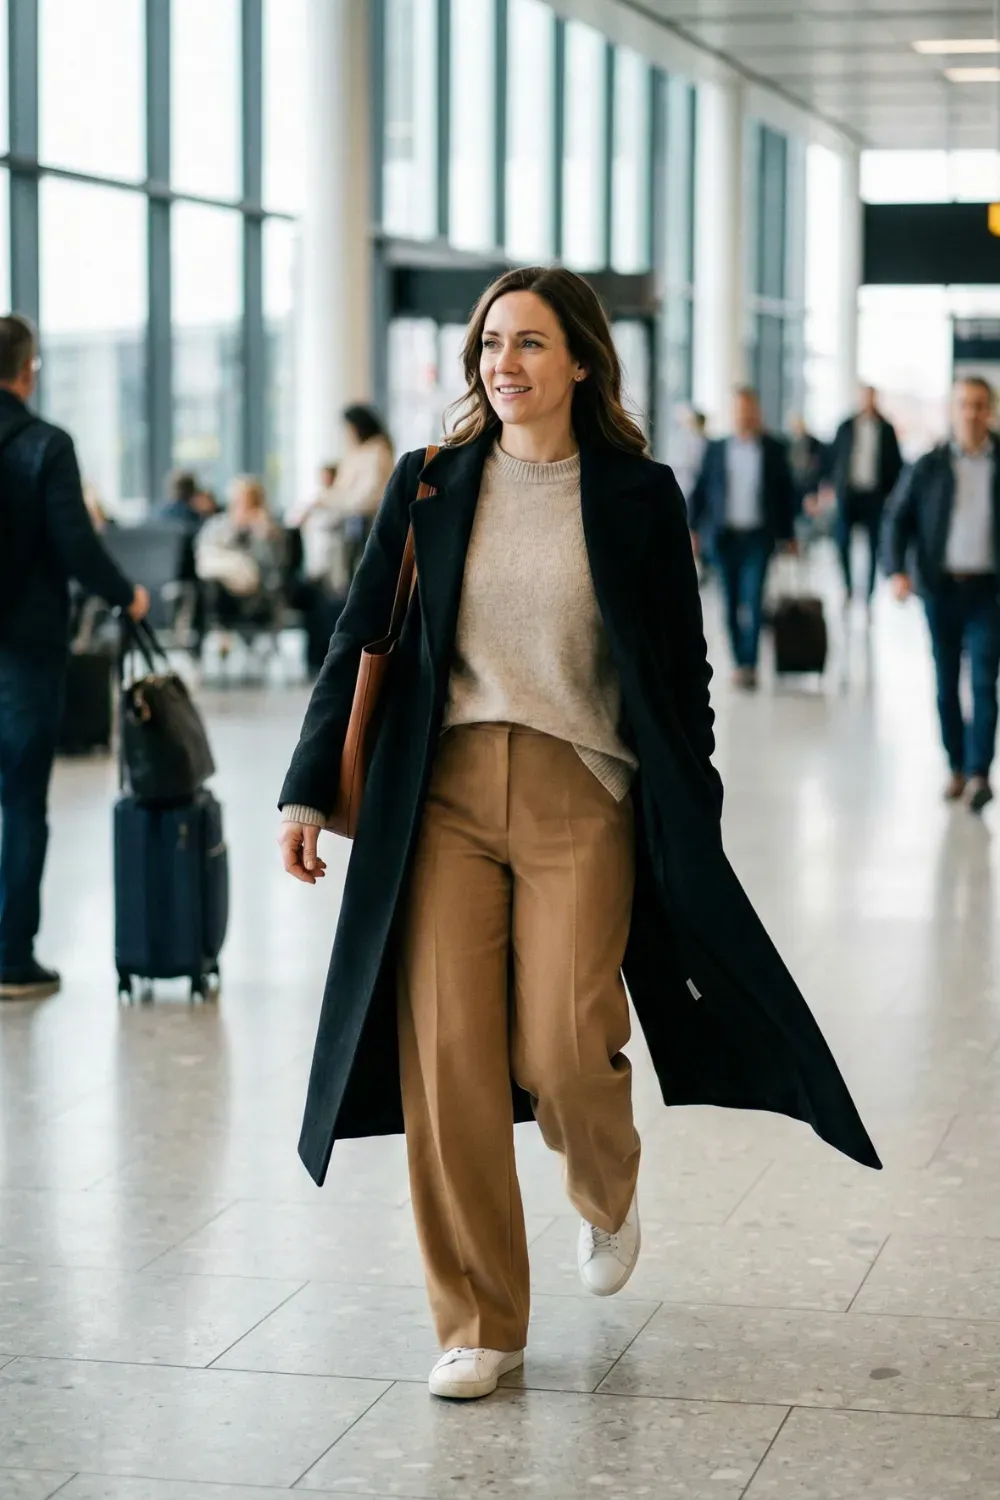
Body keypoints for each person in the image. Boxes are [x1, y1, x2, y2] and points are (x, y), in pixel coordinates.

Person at [276, 266, 878, 1403]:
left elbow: (682, 671)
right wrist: (308, 790)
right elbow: (361, 637)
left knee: (560, 1042)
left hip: (582, 788)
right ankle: (478, 1320)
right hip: (440, 794)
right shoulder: (428, 484)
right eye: (491, 343)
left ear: (582, 362)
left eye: (531, 344)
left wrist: (689, 810)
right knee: (447, 1057)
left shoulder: (639, 494)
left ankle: (605, 1187)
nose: (504, 363)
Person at [0, 314, 149, 999]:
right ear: (28, 370)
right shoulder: (45, 445)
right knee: (22, 799)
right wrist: (127, 596)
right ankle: (11, 958)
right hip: (26, 649)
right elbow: (74, 543)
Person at [884, 375, 1000, 813]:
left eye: (979, 405)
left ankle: (978, 773)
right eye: (965, 404)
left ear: (989, 411)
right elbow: (897, 518)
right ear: (954, 410)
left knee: (985, 681)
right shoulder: (929, 464)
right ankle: (956, 765)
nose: (972, 412)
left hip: (988, 592)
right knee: (946, 683)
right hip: (941, 590)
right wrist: (897, 571)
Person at [688, 386, 798, 688]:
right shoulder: (716, 449)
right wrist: (693, 529)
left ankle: (749, 664)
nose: (744, 415)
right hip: (724, 539)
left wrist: (789, 535)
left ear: (756, 412)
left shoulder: (773, 449)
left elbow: (786, 494)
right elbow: (700, 491)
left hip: (758, 538)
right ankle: (738, 660)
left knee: (752, 599)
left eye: (749, 408)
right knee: (729, 602)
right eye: (738, 409)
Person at [824, 386, 902, 613]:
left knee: (873, 546)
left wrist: (891, 495)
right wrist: (826, 488)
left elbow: (895, 464)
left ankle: (867, 596)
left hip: (875, 496)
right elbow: (832, 457)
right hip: (848, 495)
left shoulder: (886, 429)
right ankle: (848, 588)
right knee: (842, 542)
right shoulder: (846, 426)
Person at [195, 475, 287, 631]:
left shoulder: (268, 530)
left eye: (243, 502)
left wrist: (261, 531)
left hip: (258, 594)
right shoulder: (219, 525)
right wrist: (232, 529)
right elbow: (204, 554)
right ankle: (218, 634)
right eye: (235, 502)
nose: (238, 508)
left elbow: (274, 567)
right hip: (222, 589)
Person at [322, 405, 395, 581]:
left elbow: (369, 495)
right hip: (351, 526)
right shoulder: (356, 453)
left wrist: (336, 501)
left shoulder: (377, 453)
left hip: (367, 525)